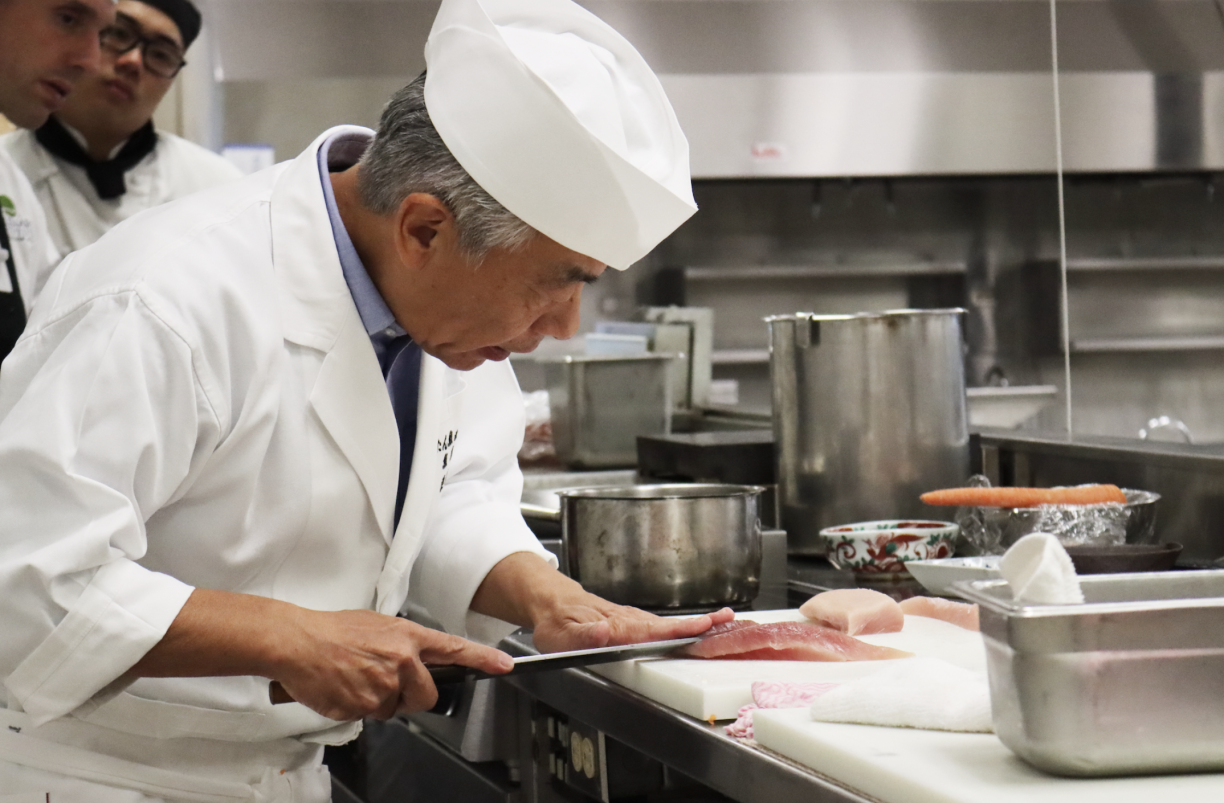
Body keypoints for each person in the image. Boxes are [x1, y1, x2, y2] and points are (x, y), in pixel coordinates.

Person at [0, 0, 709, 799]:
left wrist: (544, 594)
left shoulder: (444, 313)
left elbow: (449, 491)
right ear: (424, 230)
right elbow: (24, 578)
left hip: (284, 774)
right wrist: (288, 635)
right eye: (556, 283)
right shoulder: (161, 297)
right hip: (103, 777)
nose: (562, 327)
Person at [3, 0, 243, 257]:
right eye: (118, 34)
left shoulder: (218, 188)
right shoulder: (7, 170)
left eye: (161, 55)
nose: (133, 61)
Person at [0, 0, 115, 364]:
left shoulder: (10, 186)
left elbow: (43, 348)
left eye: (102, 35)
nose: (91, 62)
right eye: (68, 18)